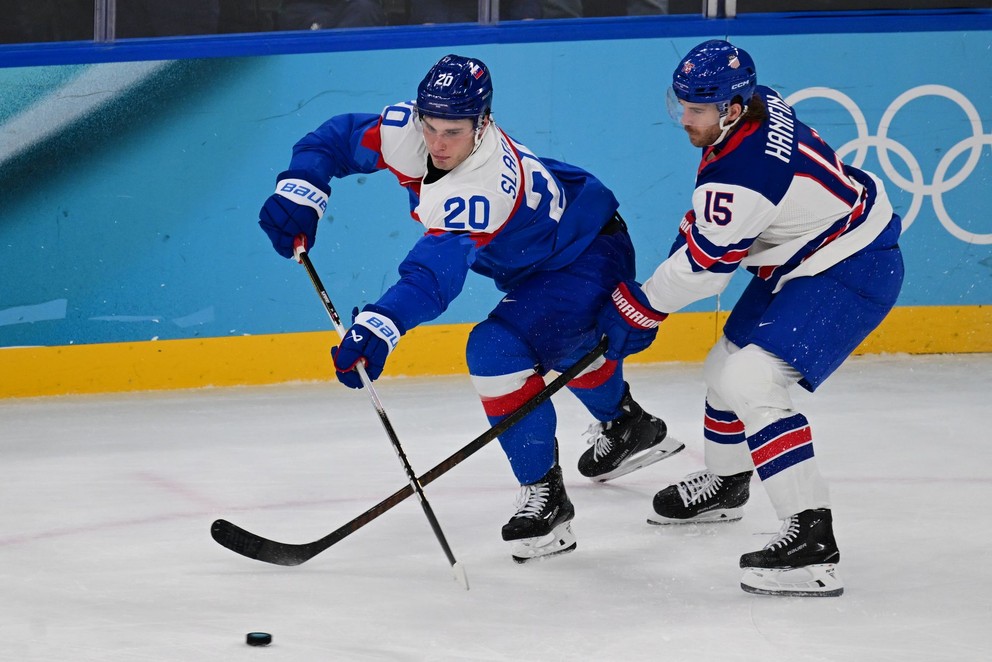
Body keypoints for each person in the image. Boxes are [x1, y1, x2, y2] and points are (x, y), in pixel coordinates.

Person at [257, 54, 684, 563]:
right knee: (561, 339)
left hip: (585, 252)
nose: (437, 144)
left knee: (497, 349)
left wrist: (382, 324)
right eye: (430, 127)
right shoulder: (411, 130)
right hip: (546, 252)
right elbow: (336, 138)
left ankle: (545, 499)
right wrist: (302, 189)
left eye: (453, 133)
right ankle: (627, 424)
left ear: (483, 123)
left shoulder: (481, 185)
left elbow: (434, 275)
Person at [597, 40, 904, 596]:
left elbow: (706, 272)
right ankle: (727, 482)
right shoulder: (756, 105)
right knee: (723, 368)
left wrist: (641, 307)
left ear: (732, 109)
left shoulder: (745, 172)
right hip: (808, 251)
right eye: (681, 104)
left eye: (697, 109)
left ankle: (812, 541)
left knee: (750, 379)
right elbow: (712, 228)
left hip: (851, 263)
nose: (684, 119)